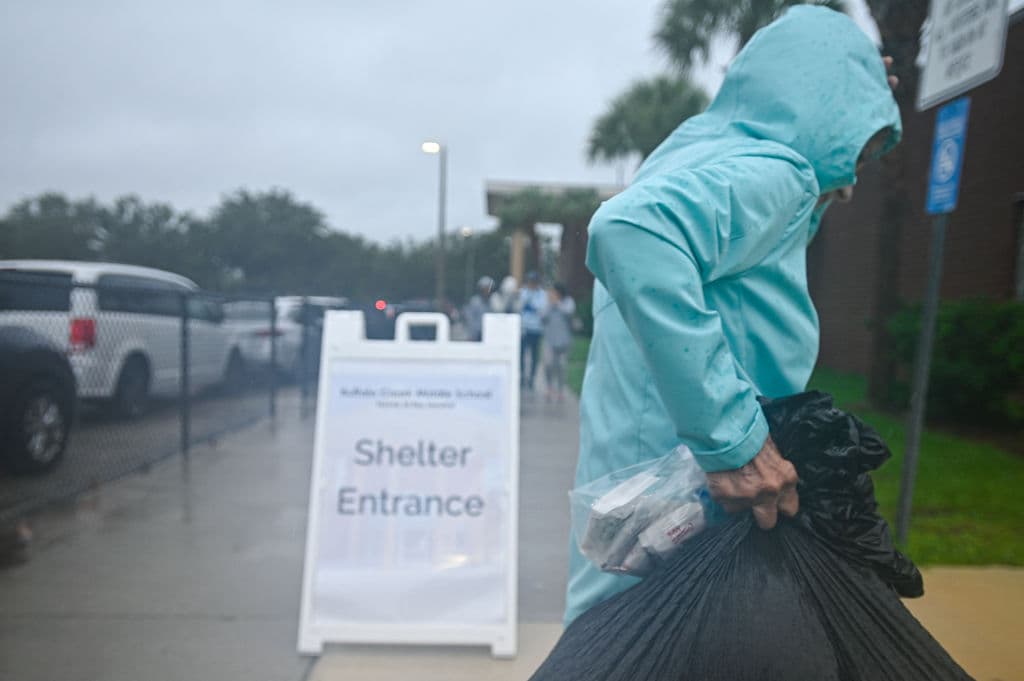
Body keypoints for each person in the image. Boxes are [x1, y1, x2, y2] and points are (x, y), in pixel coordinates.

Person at [565, 5, 902, 625]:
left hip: (634, 521)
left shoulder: (692, 154)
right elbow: (629, 232)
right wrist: (736, 443)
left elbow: (739, 261)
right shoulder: (780, 173)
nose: (856, 176)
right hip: (691, 534)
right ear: (831, 111)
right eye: (864, 144)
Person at [542, 283, 576, 402]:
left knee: (561, 366)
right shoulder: (548, 303)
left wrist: (557, 303)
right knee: (548, 365)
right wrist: (550, 305)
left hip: (564, 341)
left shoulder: (568, 302)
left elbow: (569, 313)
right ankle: (549, 387)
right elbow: (542, 317)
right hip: (550, 340)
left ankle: (561, 390)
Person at [518, 271, 547, 390]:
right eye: (530, 281)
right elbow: (519, 307)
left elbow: (541, 310)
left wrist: (531, 305)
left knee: (534, 356)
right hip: (524, 328)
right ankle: (522, 376)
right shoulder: (523, 292)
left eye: (534, 282)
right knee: (522, 354)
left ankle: (532, 378)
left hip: (536, 329)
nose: (532, 284)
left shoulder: (542, 294)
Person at [462, 276, 494, 342]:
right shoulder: (474, 302)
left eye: (488, 288)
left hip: (489, 336)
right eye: (485, 288)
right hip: (474, 337)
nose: (487, 291)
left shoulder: (493, 302)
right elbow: (469, 319)